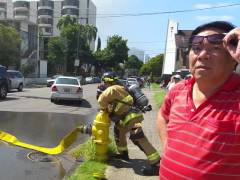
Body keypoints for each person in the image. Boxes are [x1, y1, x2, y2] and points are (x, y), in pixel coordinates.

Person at [157, 21, 240, 179]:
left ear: (234, 57)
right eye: (196, 49)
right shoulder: (178, 90)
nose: (202, 55)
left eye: (215, 48)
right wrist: (168, 148)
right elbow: (162, 116)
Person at [97, 71, 161, 176]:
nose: (103, 84)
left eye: (104, 82)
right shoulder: (121, 87)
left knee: (139, 139)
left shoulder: (111, 89)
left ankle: (157, 165)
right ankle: (123, 154)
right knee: (118, 132)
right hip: (128, 118)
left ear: (107, 81)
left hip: (131, 118)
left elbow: (101, 101)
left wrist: (102, 100)